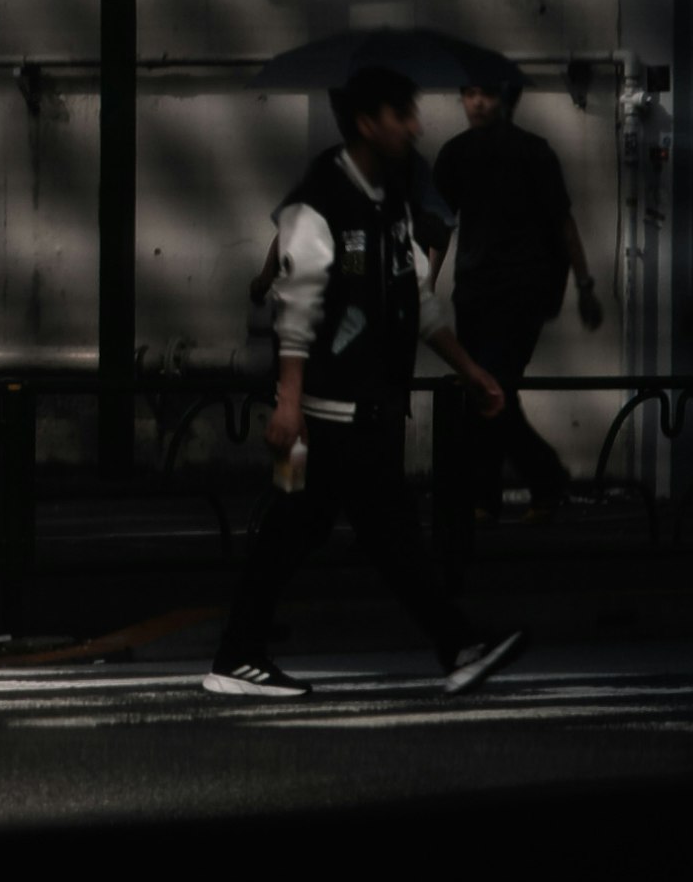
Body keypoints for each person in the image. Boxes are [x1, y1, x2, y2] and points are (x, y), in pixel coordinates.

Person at [205, 65, 525, 704]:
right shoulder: (320, 198)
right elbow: (296, 305)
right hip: (323, 412)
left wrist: (471, 370)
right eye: (400, 113)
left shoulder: (394, 197)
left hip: (364, 409)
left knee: (322, 529)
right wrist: (290, 402)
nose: (414, 124)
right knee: (363, 532)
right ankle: (455, 645)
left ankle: (241, 654)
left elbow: (419, 299)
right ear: (364, 123)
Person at [424, 53, 597, 576]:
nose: (476, 102)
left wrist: (585, 284)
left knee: (491, 388)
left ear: (506, 99)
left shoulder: (532, 154)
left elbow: (562, 222)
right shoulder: (456, 155)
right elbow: (442, 225)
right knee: (491, 391)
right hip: (475, 292)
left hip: (521, 292)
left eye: (487, 94)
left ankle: (522, 486)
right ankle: (528, 486)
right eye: (470, 93)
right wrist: (426, 284)